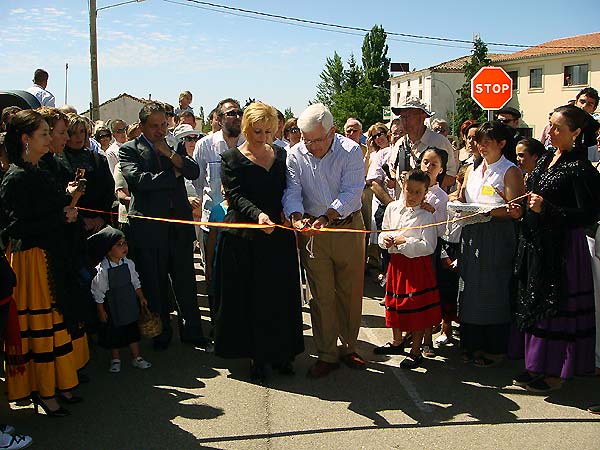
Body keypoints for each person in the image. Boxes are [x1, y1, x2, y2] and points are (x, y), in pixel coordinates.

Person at [214, 102, 304, 382]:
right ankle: (257, 355)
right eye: (257, 132)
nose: (263, 137)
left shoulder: (282, 155)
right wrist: (258, 215)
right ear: (246, 129)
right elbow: (235, 196)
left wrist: (289, 212)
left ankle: (283, 352)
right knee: (252, 298)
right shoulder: (230, 159)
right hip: (245, 237)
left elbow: (290, 189)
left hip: (278, 235)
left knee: (281, 295)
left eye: (268, 131)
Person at [513, 105, 600, 393]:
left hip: (563, 247)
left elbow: (587, 214)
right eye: (550, 125)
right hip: (536, 241)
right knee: (534, 300)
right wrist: (522, 209)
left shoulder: (580, 168)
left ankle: (555, 371)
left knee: (557, 308)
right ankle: (535, 364)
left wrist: (548, 209)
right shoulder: (546, 159)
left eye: (558, 128)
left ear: (575, 133)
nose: (550, 132)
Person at [0, 110, 81, 416]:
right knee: (39, 326)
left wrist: (66, 206)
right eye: (44, 134)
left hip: (50, 255)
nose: (49, 139)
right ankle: (43, 390)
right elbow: (16, 227)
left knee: (55, 321)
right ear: (25, 139)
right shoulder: (16, 177)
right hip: (31, 260)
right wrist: (61, 216)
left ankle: (59, 383)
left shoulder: (39, 170)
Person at [283, 103, 366, 378]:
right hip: (313, 234)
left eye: (317, 140)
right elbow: (292, 191)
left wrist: (328, 216)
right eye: (306, 140)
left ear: (332, 132)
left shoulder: (351, 151)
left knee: (349, 292)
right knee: (321, 295)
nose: (312, 146)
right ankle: (327, 353)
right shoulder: (295, 154)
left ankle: (349, 346)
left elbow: (352, 192)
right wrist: (296, 216)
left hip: (347, 228)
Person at [119, 101, 206, 351]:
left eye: (163, 125)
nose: (160, 131)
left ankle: (192, 331)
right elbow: (140, 182)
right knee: (155, 282)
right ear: (142, 126)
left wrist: (171, 156)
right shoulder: (129, 150)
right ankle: (162, 332)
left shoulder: (174, 146)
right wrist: (173, 175)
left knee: (185, 281)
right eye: (154, 126)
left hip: (178, 226)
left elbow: (192, 171)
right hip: (149, 229)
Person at [457, 121, 525, 366]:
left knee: (493, 287)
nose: (481, 146)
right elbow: (464, 196)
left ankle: (495, 347)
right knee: (470, 287)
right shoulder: (473, 169)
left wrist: (486, 212)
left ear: (502, 144)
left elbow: (515, 209)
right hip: (472, 231)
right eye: (479, 142)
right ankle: (472, 343)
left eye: (487, 142)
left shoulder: (509, 170)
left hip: (496, 234)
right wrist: (458, 201)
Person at [375, 169, 441, 369]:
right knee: (394, 303)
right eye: (408, 190)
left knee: (415, 307)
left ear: (426, 192)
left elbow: (429, 246)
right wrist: (385, 240)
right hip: (396, 264)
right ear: (402, 187)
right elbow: (383, 231)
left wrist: (405, 242)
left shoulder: (426, 216)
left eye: (418, 192)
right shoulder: (392, 208)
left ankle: (416, 350)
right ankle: (397, 341)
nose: (412, 196)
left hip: (416, 267)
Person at [89, 226, 152, 373]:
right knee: (114, 334)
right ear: (108, 250)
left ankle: (136, 357)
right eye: (119, 244)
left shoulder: (128, 263)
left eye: (125, 243)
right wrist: (101, 311)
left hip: (128, 304)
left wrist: (141, 297)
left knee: (132, 331)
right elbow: (98, 292)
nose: (124, 247)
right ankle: (115, 359)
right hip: (113, 306)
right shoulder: (103, 269)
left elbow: (135, 282)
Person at [192, 98, 245, 266]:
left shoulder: (249, 144)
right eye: (231, 113)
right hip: (212, 223)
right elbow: (198, 182)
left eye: (239, 113)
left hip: (243, 224)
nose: (237, 117)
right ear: (220, 119)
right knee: (212, 271)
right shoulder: (205, 145)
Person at [59, 114, 114, 236]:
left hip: (99, 222)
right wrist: (81, 220)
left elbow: (109, 190)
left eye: (82, 131)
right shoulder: (57, 160)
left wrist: (100, 218)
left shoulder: (98, 159)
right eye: (73, 133)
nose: (79, 137)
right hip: (71, 224)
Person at [392, 97, 457, 188]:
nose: (405, 121)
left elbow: (451, 178)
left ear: (422, 116)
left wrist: (421, 182)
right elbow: (393, 171)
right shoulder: (399, 144)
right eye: (402, 117)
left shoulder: (440, 143)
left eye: (409, 116)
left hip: (431, 197)